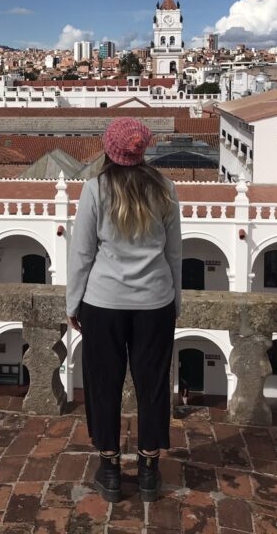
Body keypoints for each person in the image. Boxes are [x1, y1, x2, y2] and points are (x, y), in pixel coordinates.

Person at [66, 117, 182, 503]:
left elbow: (82, 254)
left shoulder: (95, 188)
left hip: (103, 303)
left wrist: (73, 302)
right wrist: (175, 300)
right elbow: (174, 253)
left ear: (108, 149)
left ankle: (110, 468)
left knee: (104, 386)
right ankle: (149, 470)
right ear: (142, 148)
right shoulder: (165, 188)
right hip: (155, 303)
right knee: (152, 385)